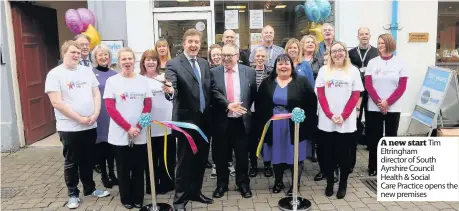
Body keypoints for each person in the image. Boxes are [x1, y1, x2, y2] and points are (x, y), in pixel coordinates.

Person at [45, 40, 110, 209]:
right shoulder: (55, 74)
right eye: (72, 52)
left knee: (88, 159)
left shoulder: (87, 72)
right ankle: (73, 193)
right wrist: (79, 118)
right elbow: (57, 103)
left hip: (90, 124)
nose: (76, 55)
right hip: (69, 127)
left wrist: (95, 114)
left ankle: (90, 188)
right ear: (64, 54)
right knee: (72, 161)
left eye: (78, 52)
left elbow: (96, 94)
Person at [163, 28, 214, 211]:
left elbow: (210, 89)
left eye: (196, 42)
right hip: (186, 123)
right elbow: (172, 85)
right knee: (184, 163)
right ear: (183, 44)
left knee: (200, 161)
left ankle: (195, 192)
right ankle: (179, 201)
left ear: (200, 44)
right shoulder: (173, 64)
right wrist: (170, 90)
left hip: (204, 122)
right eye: (190, 42)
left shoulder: (204, 63)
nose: (193, 45)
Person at [255, 54, 318, 195]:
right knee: (277, 156)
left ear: (292, 66)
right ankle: (278, 182)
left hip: (295, 127)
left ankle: (295, 185)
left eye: (286, 64)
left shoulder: (301, 82)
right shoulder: (267, 83)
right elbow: (260, 105)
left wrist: (305, 119)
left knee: (295, 156)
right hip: (275, 127)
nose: (283, 66)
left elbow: (311, 103)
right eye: (280, 64)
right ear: (275, 67)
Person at [104, 47, 152, 209]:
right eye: (123, 59)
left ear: (134, 61)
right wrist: (128, 128)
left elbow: (148, 106)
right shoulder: (113, 81)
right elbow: (111, 108)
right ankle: (126, 198)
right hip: (120, 133)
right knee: (123, 168)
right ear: (119, 62)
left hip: (140, 132)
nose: (127, 62)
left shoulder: (143, 81)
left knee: (139, 167)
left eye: (129, 59)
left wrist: (138, 127)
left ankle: (138, 197)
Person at [315, 41, 364, 199]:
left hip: (346, 122)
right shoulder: (324, 71)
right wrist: (330, 115)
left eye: (340, 50)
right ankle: (330, 183)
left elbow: (356, 95)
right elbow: (321, 95)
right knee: (328, 155)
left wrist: (343, 115)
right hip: (326, 121)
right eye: (334, 51)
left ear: (345, 53)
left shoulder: (353, 71)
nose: (337, 53)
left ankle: (343, 183)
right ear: (330, 54)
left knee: (344, 156)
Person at [210, 43, 256, 199]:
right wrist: (228, 104)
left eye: (230, 55)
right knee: (221, 156)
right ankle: (221, 185)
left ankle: (243, 184)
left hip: (241, 122)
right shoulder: (213, 73)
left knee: (242, 156)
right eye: (224, 55)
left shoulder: (249, 72)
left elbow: (253, 94)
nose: (226, 59)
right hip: (221, 122)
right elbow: (213, 93)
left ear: (237, 56)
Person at [365, 33, 408, 177]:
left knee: (390, 137)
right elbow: (368, 85)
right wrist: (379, 102)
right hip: (374, 107)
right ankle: (373, 167)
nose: (380, 45)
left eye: (383, 43)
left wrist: (387, 102)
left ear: (390, 44)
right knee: (374, 137)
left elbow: (402, 87)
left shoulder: (400, 63)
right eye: (378, 43)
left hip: (393, 107)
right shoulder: (372, 62)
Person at [139, 49, 176, 195]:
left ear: (158, 62)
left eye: (154, 59)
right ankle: (151, 185)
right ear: (143, 62)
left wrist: (170, 90)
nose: (151, 62)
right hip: (148, 128)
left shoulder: (164, 77)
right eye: (147, 59)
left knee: (167, 157)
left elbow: (173, 97)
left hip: (167, 126)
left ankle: (168, 183)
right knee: (151, 159)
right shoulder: (138, 79)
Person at [348, 27, 379, 172]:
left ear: (370, 36)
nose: (364, 36)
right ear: (358, 36)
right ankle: (351, 157)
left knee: (372, 125)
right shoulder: (351, 53)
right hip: (357, 93)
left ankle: (372, 163)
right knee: (355, 121)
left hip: (372, 92)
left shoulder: (376, 52)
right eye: (362, 34)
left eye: (367, 34)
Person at [91, 44, 118, 188]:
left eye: (106, 54)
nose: (103, 57)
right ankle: (104, 175)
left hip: (112, 115)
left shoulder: (114, 74)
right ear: (95, 57)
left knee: (111, 147)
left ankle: (113, 174)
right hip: (99, 114)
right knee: (101, 147)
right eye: (100, 55)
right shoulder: (91, 73)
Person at [248, 47, 273, 178]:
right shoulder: (248, 71)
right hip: (251, 112)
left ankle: (268, 165)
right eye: (258, 56)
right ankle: (253, 165)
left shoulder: (271, 72)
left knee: (266, 140)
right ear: (254, 57)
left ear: (267, 58)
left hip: (265, 112)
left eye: (263, 56)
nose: (260, 58)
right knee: (252, 140)